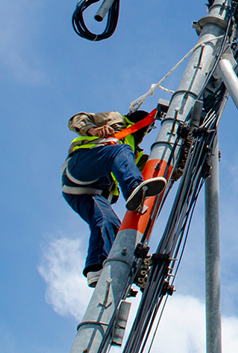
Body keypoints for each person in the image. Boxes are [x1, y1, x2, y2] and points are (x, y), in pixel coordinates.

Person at [62, 109, 166, 287]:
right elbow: (77, 119)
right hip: (81, 167)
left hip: (88, 192)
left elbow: (152, 166)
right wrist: (92, 130)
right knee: (120, 151)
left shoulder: (133, 153)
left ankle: (96, 268)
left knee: (109, 222)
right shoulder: (116, 119)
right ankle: (134, 188)